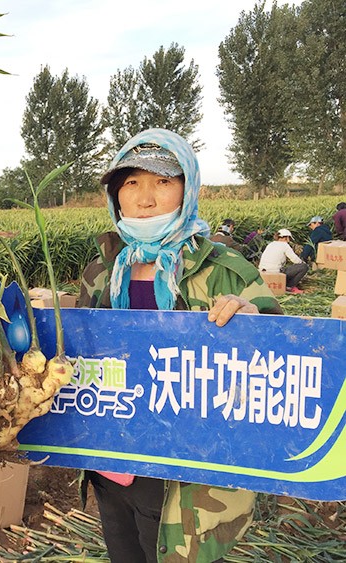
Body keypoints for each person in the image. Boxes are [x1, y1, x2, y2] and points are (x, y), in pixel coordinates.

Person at [77, 128, 281, 563]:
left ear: (188, 188)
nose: (144, 198)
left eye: (162, 182)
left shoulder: (222, 269)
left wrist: (253, 321)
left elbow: (281, 352)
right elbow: (79, 358)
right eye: (131, 183)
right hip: (112, 464)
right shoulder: (101, 271)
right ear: (116, 196)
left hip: (185, 479)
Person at [258, 229, 309, 294]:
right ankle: (289, 286)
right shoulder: (285, 245)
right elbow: (295, 260)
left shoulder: (271, 244)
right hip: (275, 272)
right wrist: (302, 262)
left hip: (263, 271)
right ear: (286, 238)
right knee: (304, 267)